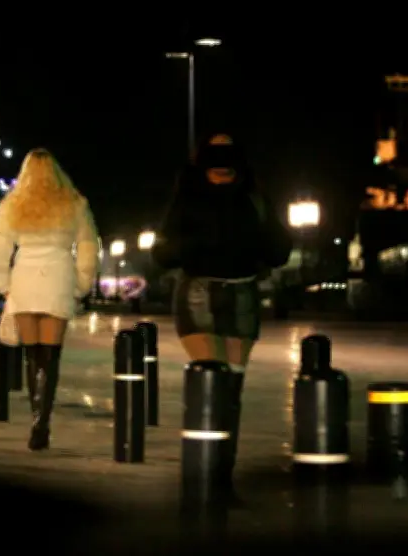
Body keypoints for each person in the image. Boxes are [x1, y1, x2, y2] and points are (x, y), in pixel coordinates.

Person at [152, 133, 291, 498]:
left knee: (230, 391)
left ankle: (222, 475)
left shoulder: (253, 199)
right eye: (216, 159)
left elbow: (279, 251)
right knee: (210, 384)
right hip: (199, 294)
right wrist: (200, 243)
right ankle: (206, 475)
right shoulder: (188, 199)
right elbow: (163, 252)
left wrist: (259, 239)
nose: (222, 167)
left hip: (242, 295)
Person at [0, 148, 100, 451]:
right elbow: (88, 246)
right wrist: (81, 284)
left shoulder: (13, 205)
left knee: (32, 354)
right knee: (51, 355)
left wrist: (3, 284)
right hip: (58, 276)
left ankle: (36, 418)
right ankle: (42, 421)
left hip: (25, 277)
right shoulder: (75, 204)